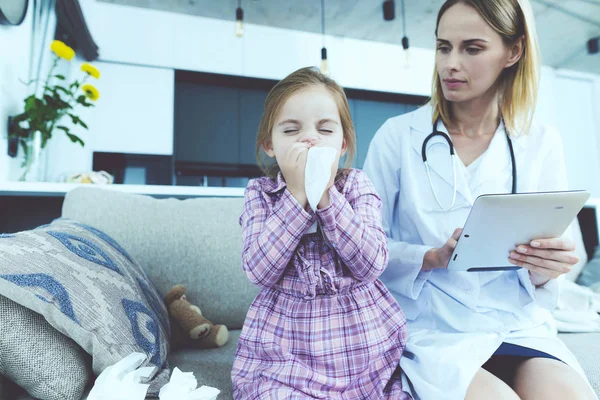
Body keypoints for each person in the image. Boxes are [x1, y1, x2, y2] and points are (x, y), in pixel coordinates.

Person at [363, 1, 597, 399]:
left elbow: (550, 265)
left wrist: (545, 267)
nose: (450, 64)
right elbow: (362, 249)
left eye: (471, 48)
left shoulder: (539, 143)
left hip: (514, 324)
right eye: (443, 47)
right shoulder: (398, 136)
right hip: (430, 327)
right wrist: (430, 256)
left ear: (513, 51)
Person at [231, 67, 411, 399]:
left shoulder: (356, 185)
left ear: (342, 144)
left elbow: (372, 264)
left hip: (362, 351)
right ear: (270, 145)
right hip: (285, 353)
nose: (309, 138)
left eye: (324, 129)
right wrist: (297, 195)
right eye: (291, 129)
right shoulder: (260, 193)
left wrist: (326, 195)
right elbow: (258, 270)